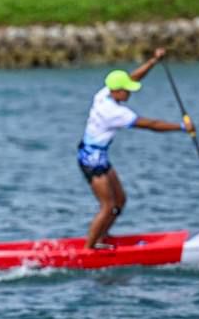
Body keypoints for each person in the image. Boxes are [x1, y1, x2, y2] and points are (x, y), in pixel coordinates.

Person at [78, 48, 192, 249]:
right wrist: (182, 127)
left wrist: (153, 61)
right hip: (91, 159)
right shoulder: (113, 112)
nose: (130, 92)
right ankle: (88, 249)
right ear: (117, 91)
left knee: (120, 201)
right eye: (127, 90)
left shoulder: (104, 93)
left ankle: (103, 238)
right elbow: (152, 125)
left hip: (100, 156)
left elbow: (133, 77)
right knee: (108, 206)